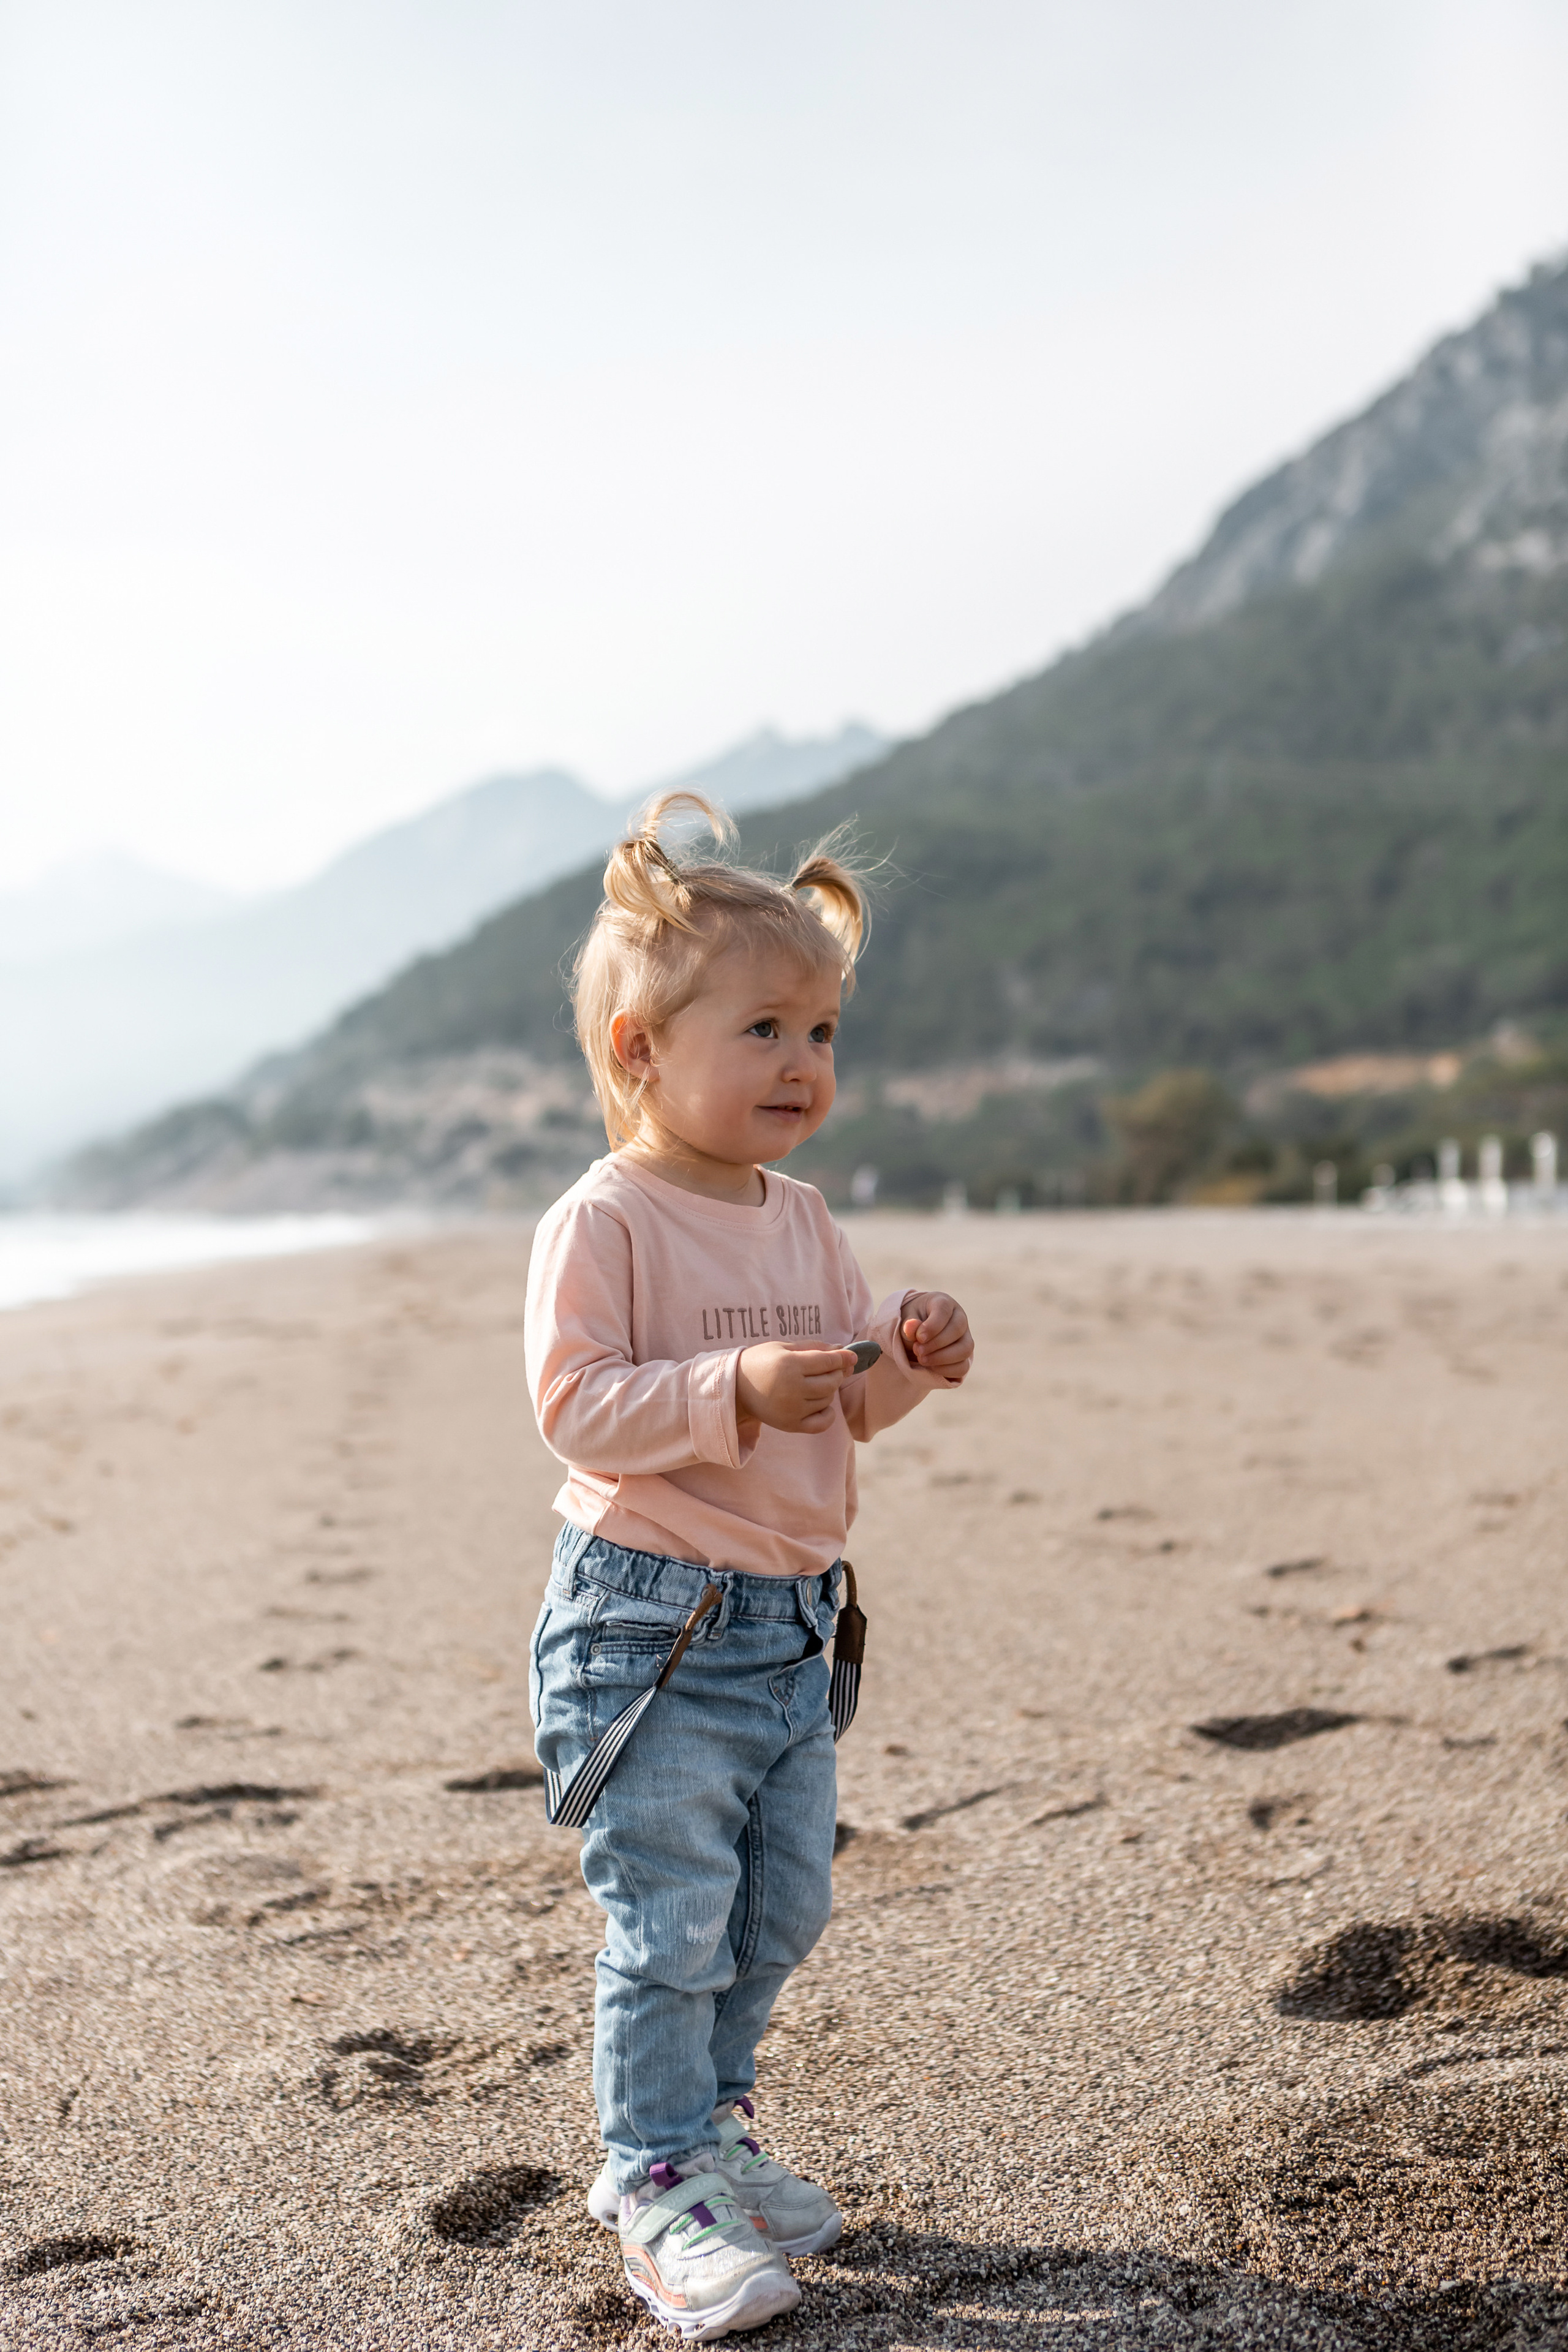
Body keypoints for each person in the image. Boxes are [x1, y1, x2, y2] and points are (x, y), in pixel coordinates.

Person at [525, 794, 974, 2340]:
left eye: (824, 1033)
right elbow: (574, 1405)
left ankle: (707, 2125)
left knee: (780, 1907)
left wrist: (900, 1363)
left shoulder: (800, 1218)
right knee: (668, 1918)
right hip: (646, 1626)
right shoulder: (609, 1217)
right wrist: (731, 1393)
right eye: (766, 1028)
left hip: (789, 1632)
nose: (804, 1065)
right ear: (641, 1049)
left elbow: (844, 1400)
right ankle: (651, 2174)